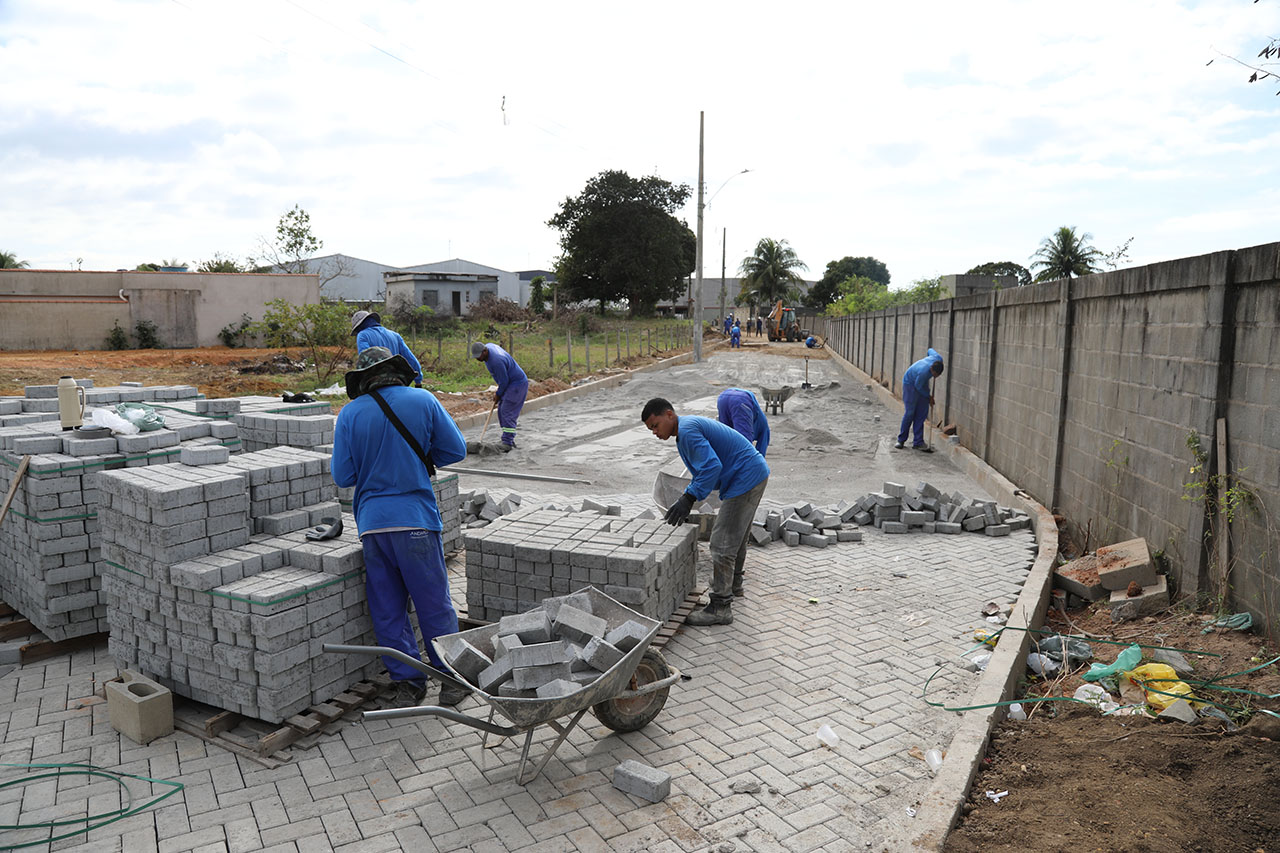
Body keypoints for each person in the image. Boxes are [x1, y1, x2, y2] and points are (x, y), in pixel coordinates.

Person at [331, 346, 469, 708]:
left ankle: (407, 682)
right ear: (398, 370)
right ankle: (452, 678)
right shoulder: (422, 400)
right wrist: (421, 455)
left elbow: (343, 476)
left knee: (388, 607)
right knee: (433, 603)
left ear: (362, 380)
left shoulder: (349, 414)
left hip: (373, 527)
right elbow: (456, 450)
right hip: (417, 521)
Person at [641, 398, 769, 626]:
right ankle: (734, 585)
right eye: (651, 429)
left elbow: (711, 467)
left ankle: (720, 607)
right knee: (735, 538)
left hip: (745, 478)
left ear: (669, 415)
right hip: (753, 473)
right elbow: (708, 467)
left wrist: (689, 497)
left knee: (721, 544)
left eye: (655, 425)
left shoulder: (687, 431)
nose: (655, 432)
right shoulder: (686, 429)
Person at [470, 341, 528, 451]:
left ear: (485, 351)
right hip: (510, 383)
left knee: (507, 411)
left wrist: (498, 394)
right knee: (501, 410)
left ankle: (507, 442)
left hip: (516, 385)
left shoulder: (496, 362)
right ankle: (508, 439)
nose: (478, 359)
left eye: (479, 356)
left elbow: (504, 381)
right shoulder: (489, 347)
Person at [350, 310, 423, 387]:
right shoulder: (395, 335)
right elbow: (410, 359)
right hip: (398, 381)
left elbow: (365, 359)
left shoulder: (363, 335)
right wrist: (418, 381)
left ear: (359, 327)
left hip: (377, 383)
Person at [896, 347, 944, 453]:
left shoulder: (938, 358)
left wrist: (927, 397)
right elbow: (918, 387)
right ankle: (901, 440)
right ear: (932, 369)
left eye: (936, 376)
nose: (934, 377)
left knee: (922, 413)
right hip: (910, 384)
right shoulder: (923, 372)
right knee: (910, 413)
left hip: (922, 384)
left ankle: (918, 442)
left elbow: (930, 349)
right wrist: (929, 397)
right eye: (934, 375)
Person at [716, 388, 770, 456]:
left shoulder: (760, 422)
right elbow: (761, 452)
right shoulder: (764, 431)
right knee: (744, 443)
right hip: (741, 400)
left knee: (725, 436)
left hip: (723, 396)